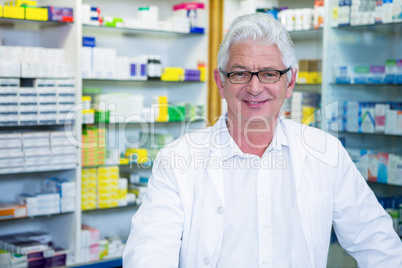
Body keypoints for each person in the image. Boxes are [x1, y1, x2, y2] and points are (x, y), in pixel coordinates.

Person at [123, 13, 402, 267]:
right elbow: (149, 254)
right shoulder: (178, 159)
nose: (254, 88)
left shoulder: (325, 152)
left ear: (289, 82)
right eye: (240, 73)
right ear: (221, 83)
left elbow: (377, 244)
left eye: (269, 73)